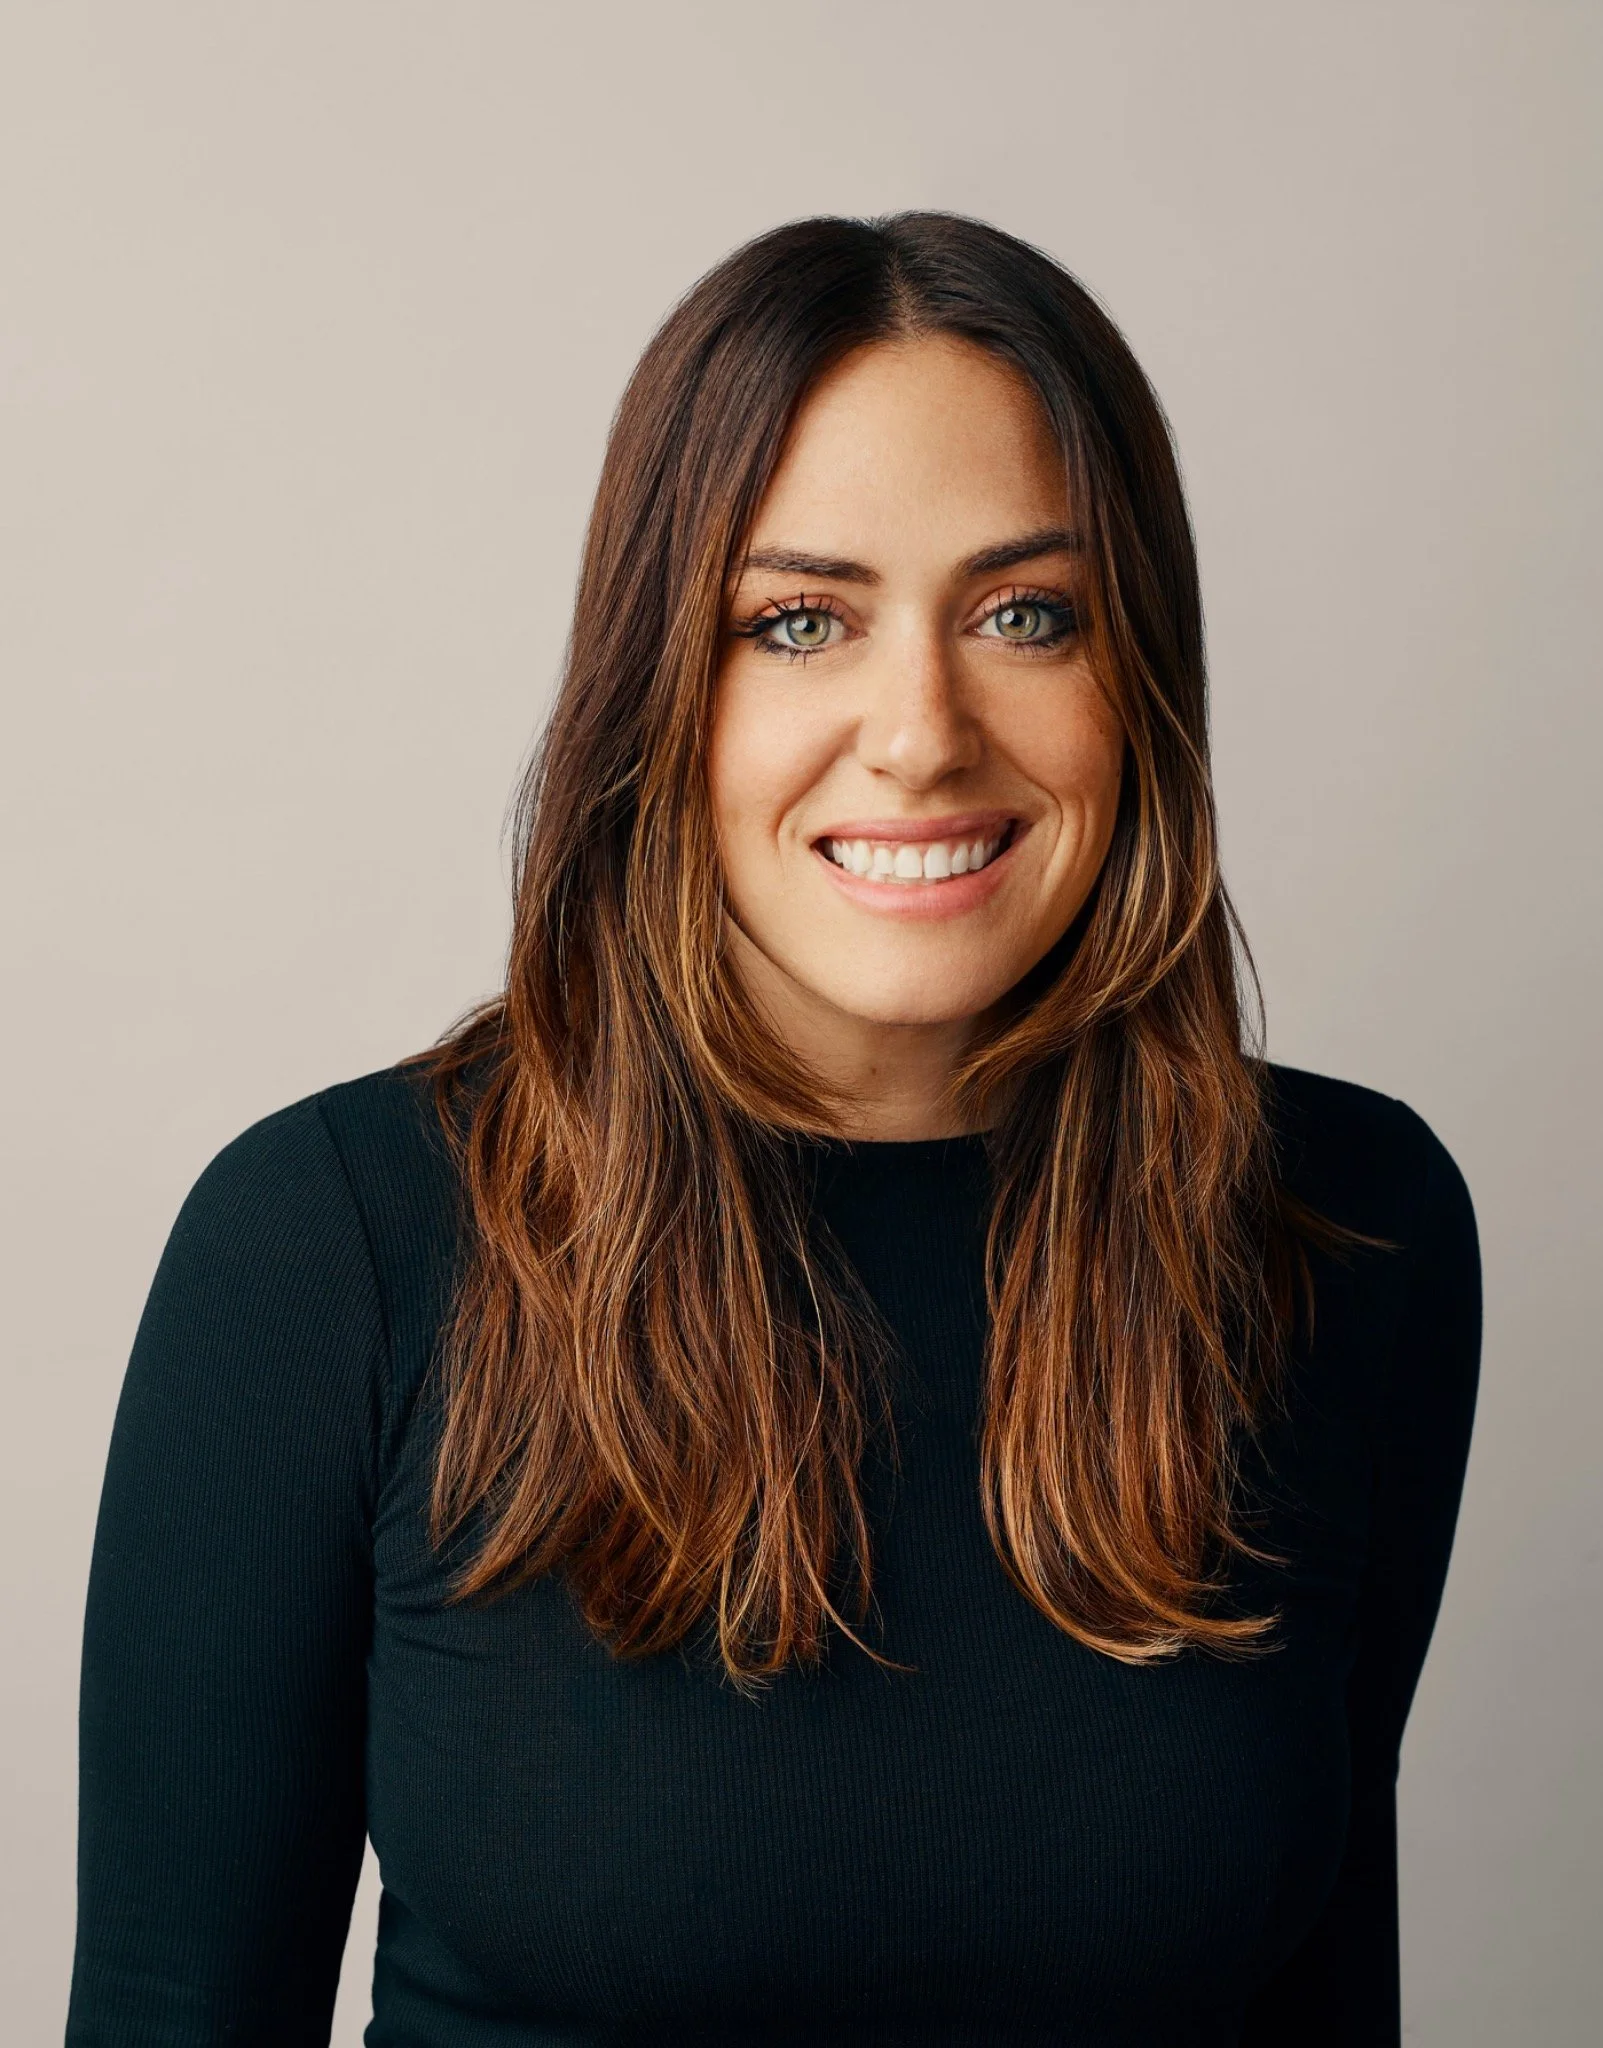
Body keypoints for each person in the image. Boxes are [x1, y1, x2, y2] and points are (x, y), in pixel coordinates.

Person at [67, 213, 1480, 2047]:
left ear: (1139, 679)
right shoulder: (334, 1243)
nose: (918, 733)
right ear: (664, 687)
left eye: (1023, 614)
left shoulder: (1343, 1226)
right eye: (798, 621)